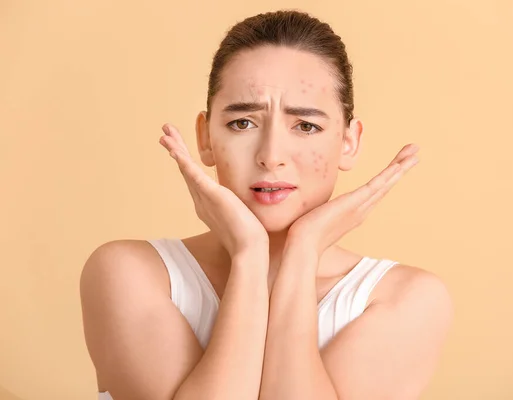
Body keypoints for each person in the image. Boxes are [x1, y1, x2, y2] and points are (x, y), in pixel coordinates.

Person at [80, 9, 453, 400]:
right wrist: (249, 256)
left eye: (306, 125)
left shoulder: (406, 300)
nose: (271, 156)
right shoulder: (130, 273)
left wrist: (303, 252)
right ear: (205, 137)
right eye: (243, 123)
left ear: (348, 142)